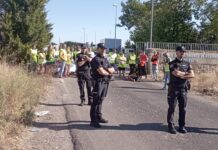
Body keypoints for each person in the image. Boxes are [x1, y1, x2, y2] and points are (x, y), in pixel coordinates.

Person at [167, 46, 194, 134]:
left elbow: (192, 75)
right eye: (181, 51)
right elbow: (176, 73)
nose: (183, 53)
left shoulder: (187, 63)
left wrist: (183, 74)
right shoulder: (172, 63)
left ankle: (181, 126)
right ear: (177, 52)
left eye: (184, 52)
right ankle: (171, 126)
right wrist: (187, 73)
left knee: (183, 109)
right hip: (174, 88)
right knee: (172, 108)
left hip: (183, 89)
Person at [90, 43, 115, 128]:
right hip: (98, 82)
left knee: (101, 99)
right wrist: (108, 71)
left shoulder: (105, 59)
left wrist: (106, 70)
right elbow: (101, 72)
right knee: (95, 101)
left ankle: (98, 116)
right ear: (98, 49)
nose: (104, 50)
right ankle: (93, 120)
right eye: (102, 48)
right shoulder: (95, 59)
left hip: (105, 82)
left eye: (104, 48)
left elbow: (113, 69)